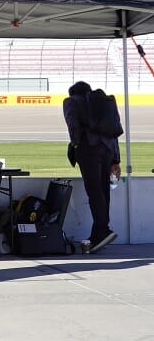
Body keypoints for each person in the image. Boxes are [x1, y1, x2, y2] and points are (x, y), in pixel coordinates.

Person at [63, 81, 120, 253]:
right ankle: (98, 233)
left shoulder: (71, 101)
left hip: (89, 149)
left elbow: (73, 125)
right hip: (108, 149)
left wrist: (76, 145)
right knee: (103, 191)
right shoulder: (103, 102)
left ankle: (102, 231)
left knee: (94, 191)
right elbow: (114, 130)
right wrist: (116, 159)